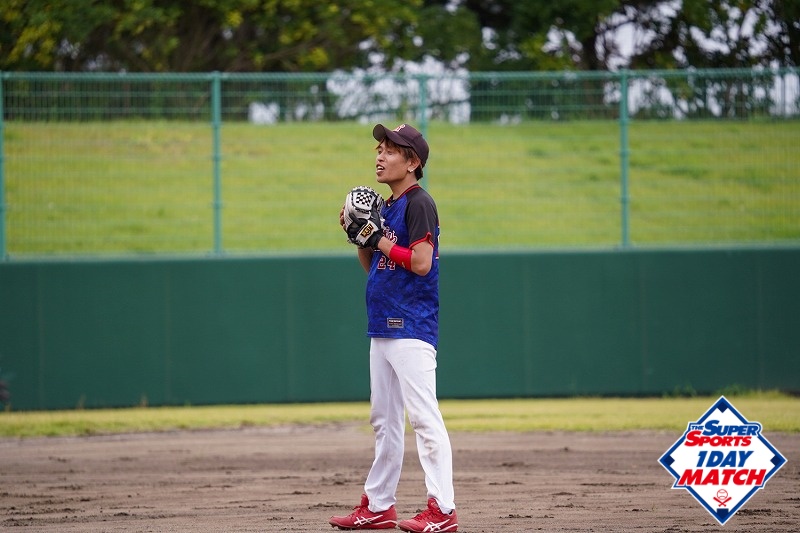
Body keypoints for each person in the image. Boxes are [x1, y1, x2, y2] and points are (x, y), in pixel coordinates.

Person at [330, 124, 458, 532]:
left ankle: (443, 510)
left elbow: (421, 262)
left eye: (390, 150)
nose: (380, 156)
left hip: (411, 325)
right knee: (384, 421)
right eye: (379, 149)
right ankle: (378, 505)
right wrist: (359, 236)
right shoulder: (387, 206)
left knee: (423, 419)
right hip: (382, 326)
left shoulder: (420, 203)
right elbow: (375, 265)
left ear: (413, 161)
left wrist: (379, 238)